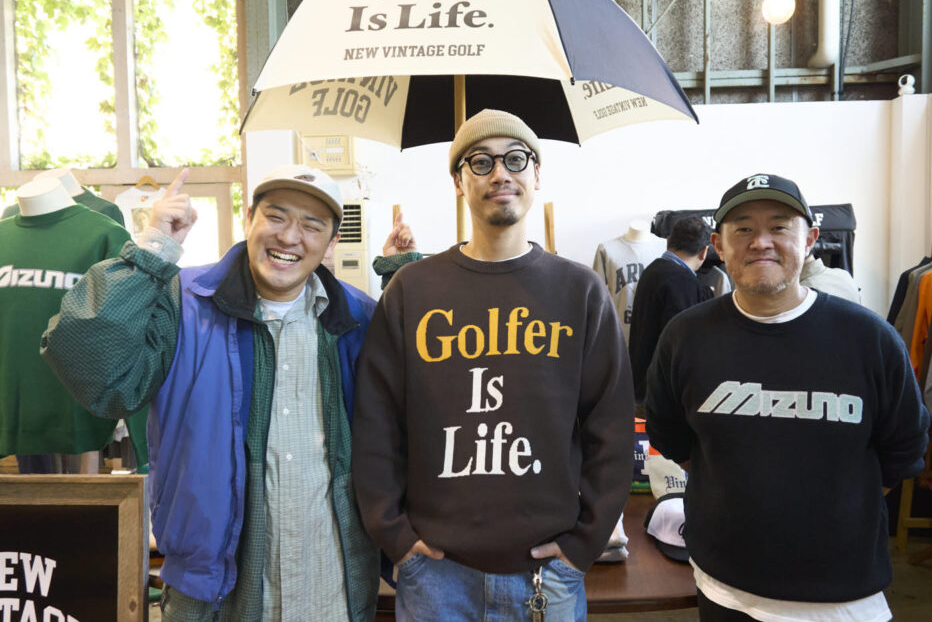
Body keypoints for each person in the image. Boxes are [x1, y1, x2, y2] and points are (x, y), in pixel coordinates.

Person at [41, 165, 420, 621]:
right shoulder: (183, 302)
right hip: (211, 585)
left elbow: (417, 396)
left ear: (332, 242)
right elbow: (96, 373)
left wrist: (401, 273)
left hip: (332, 578)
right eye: (276, 217)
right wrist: (152, 250)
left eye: (312, 225)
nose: (290, 237)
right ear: (248, 219)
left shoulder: (356, 318)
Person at [351, 109, 634, 621]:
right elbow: (376, 421)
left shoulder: (580, 291)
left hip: (547, 575)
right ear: (459, 181)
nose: (500, 173)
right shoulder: (412, 290)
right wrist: (394, 536)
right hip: (434, 576)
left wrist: (584, 544)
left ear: (536, 175)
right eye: (480, 162)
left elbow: (610, 428)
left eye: (515, 159)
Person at [643, 173, 929, 621]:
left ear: (810, 239)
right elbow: (668, 432)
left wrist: (832, 509)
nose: (761, 242)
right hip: (724, 586)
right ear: (719, 246)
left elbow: (906, 446)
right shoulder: (685, 336)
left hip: (841, 597)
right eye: (743, 229)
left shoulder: (869, 338)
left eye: (779, 227)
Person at [628, 216, 712, 413]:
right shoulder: (682, 282)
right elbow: (683, 347)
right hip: (662, 397)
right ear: (704, 252)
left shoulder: (652, 270)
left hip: (641, 385)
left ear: (668, 241)